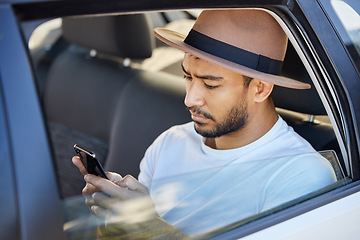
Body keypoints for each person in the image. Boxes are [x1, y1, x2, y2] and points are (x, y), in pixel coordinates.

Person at [73, 9, 337, 238]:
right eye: (188, 76)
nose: (190, 98)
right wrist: (113, 217)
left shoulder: (301, 176)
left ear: (260, 89)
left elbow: (150, 232)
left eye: (211, 84)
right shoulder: (170, 142)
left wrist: (151, 228)